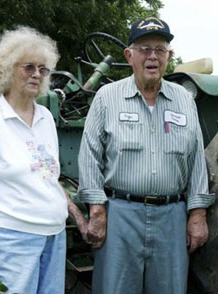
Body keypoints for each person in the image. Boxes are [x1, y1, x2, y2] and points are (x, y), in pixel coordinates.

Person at [78, 16, 215, 294]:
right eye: (144, 49)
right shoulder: (107, 96)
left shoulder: (184, 100)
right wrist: (96, 210)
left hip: (172, 218)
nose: (152, 56)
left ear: (169, 57)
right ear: (129, 55)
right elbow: (90, 156)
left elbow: (196, 163)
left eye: (160, 49)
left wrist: (198, 214)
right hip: (119, 215)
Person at [0, 26, 88, 294]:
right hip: (10, 240)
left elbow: (47, 177)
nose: (37, 74)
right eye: (28, 67)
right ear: (7, 69)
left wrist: (76, 215)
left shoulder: (45, 119)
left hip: (54, 236)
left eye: (43, 69)